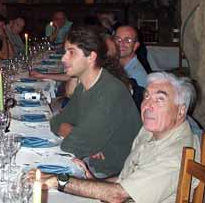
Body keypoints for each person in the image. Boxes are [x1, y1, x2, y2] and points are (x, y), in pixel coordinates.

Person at [32, 72, 200, 203]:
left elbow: (118, 195)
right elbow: (127, 180)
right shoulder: (151, 131)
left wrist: (59, 181)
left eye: (160, 99)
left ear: (181, 111)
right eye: (147, 96)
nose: (148, 105)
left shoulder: (177, 154)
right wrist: (94, 181)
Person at [49, 27, 141, 177]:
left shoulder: (110, 91)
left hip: (111, 173)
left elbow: (73, 144)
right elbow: (55, 122)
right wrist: (82, 139)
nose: (63, 58)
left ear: (91, 57)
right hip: (90, 162)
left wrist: (82, 140)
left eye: (71, 52)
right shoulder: (85, 86)